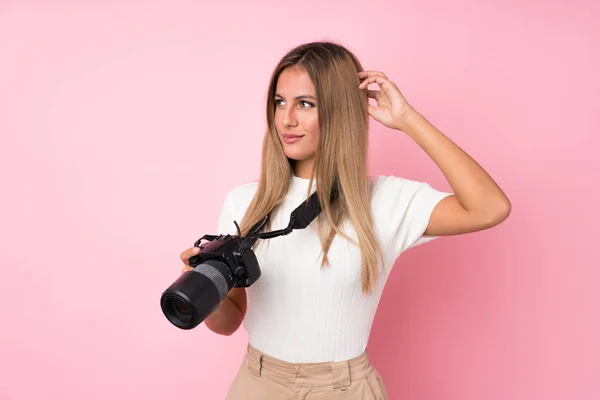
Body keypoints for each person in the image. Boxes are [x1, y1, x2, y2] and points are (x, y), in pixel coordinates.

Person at [179, 41, 511, 399]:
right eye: (280, 102)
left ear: (339, 110)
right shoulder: (245, 201)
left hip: (344, 388)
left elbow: (489, 207)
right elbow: (229, 323)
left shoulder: (385, 201)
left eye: (305, 104)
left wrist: (407, 120)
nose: (286, 119)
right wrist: (197, 286)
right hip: (259, 383)